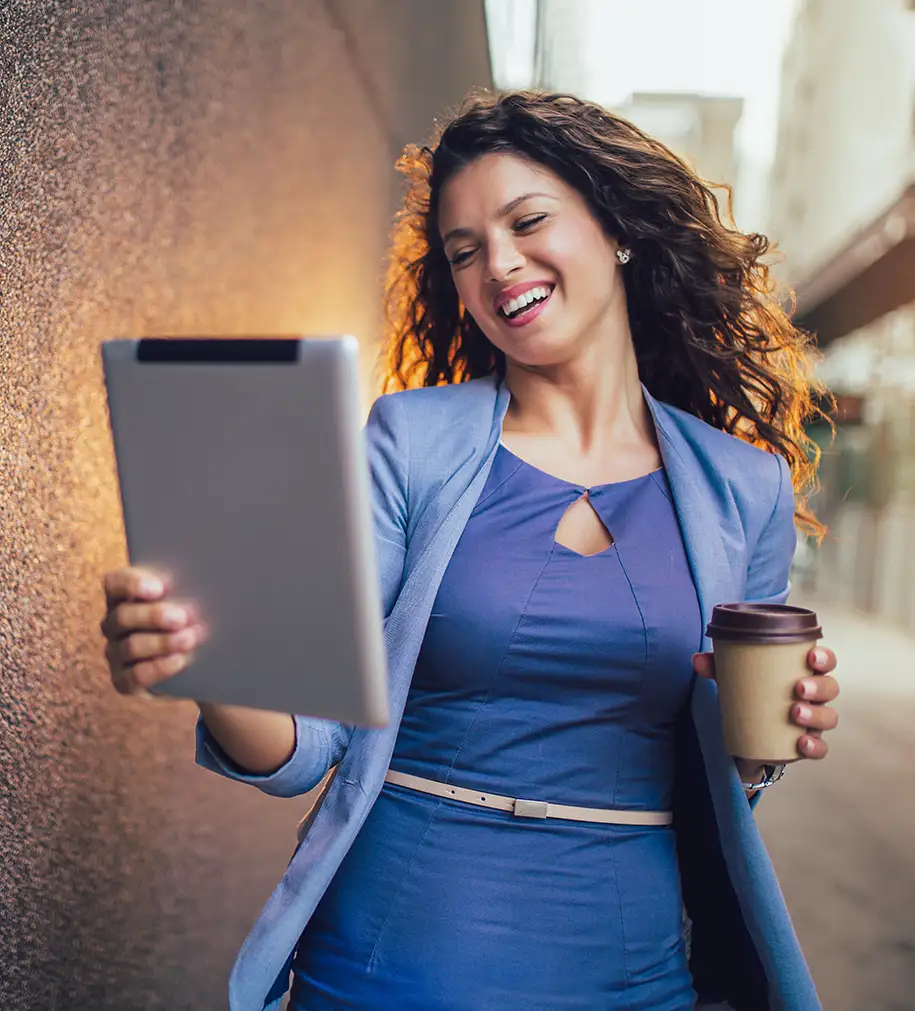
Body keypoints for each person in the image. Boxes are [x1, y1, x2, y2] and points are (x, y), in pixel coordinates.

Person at [100, 91, 841, 1011]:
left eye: (528, 222)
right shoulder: (410, 440)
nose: (498, 265)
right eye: (463, 251)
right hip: (388, 960)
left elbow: (721, 783)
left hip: (635, 972)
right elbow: (304, 747)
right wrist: (205, 658)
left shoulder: (745, 487)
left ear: (616, 230)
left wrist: (767, 745)